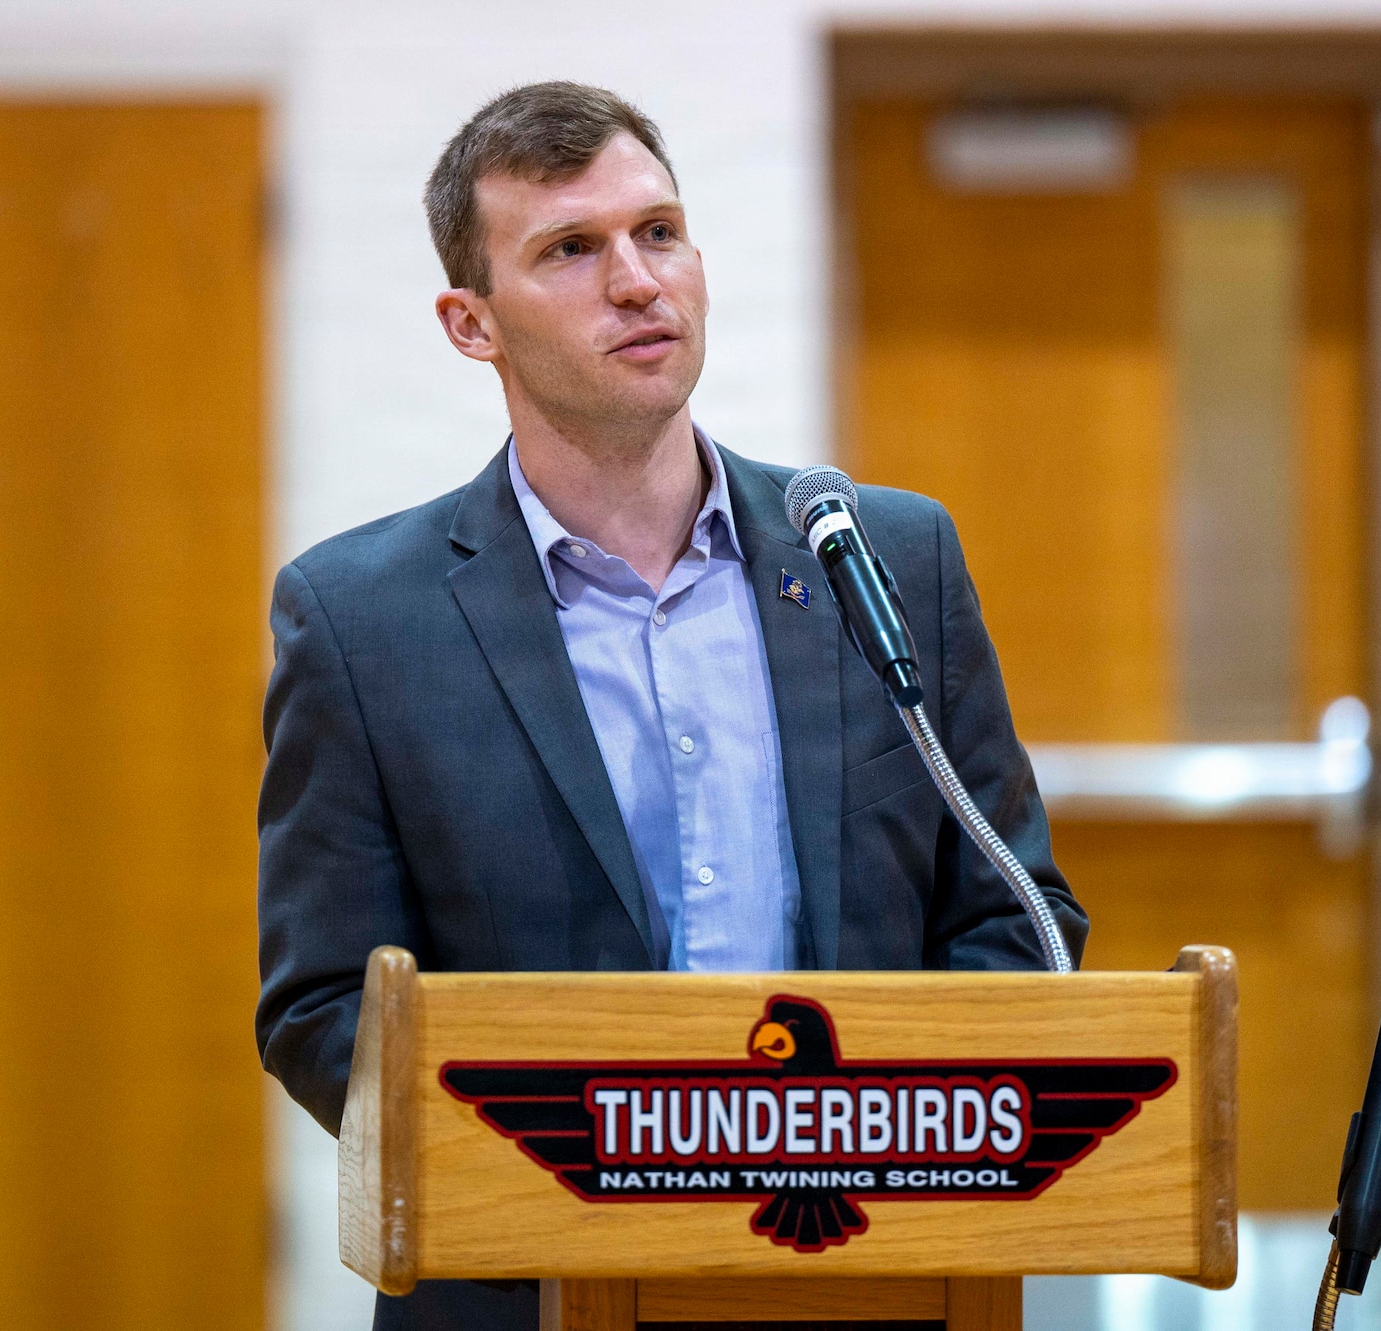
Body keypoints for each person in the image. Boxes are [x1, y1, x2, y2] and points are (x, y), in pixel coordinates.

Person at [255, 81, 1085, 1330]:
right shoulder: (363, 619)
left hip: (867, 1270)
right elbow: (321, 1006)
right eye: (570, 250)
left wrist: (856, 1145)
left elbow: (1016, 915)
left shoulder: (882, 557)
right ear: (469, 324)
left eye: (658, 231)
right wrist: (596, 1164)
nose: (638, 280)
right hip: (526, 1286)